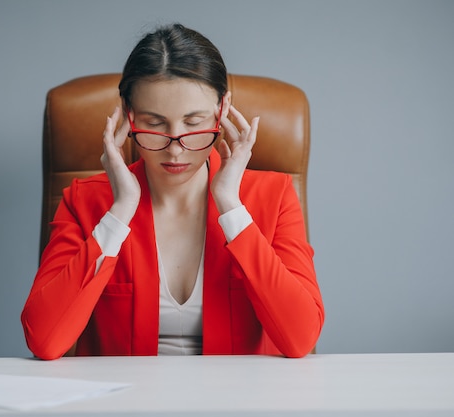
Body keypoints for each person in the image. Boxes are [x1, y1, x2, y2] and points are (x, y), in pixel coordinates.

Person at [21, 23, 324, 360]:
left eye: (194, 124)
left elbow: (300, 338)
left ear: (222, 109)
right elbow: (44, 340)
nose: (175, 148)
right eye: (154, 123)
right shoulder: (85, 200)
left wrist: (232, 209)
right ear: (128, 113)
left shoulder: (274, 196)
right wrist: (120, 211)